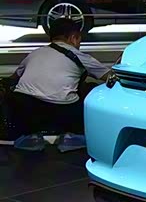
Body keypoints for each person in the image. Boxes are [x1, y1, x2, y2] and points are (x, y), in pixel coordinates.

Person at [10, 18, 108, 152]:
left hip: (24, 107)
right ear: (73, 38)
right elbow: (110, 77)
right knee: (91, 89)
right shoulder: (80, 56)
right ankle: (71, 135)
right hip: (61, 110)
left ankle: (31, 136)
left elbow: (14, 78)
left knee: (22, 94)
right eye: (79, 40)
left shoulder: (34, 53)